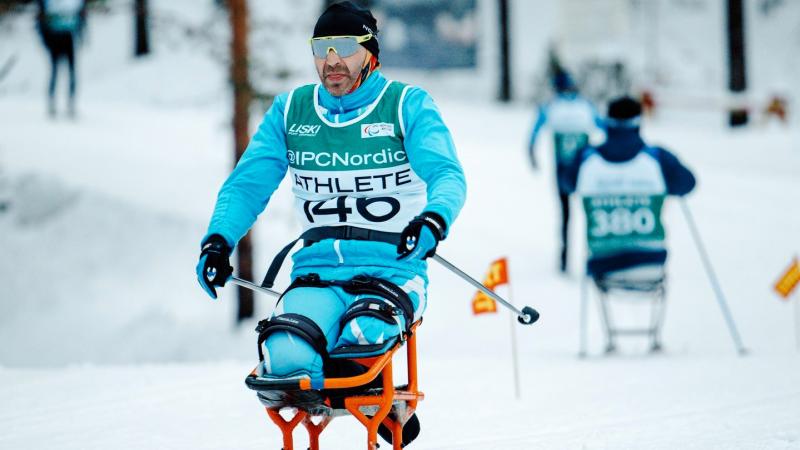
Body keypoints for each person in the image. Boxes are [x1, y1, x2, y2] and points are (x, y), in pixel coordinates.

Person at [196, 2, 466, 446]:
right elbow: (246, 185)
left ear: (370, 54)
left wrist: (434, 219)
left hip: (391, 270)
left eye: (344, 47)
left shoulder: (405, 105)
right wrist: (218, 241)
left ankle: (378, 403)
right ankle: (364, 399)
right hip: (316, 276)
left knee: (361, 345)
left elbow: (447, 174)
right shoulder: (292, 111)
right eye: (321, 49)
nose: (332, 61)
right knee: (283, 361)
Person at [563, 96, 696, 280]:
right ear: (639, 123)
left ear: (608, 122)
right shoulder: (657, 158)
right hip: (651, 263)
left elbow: (566, 183)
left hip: (602, 265)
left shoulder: (586, 157)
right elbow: (687, 184)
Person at [528, 70, 603, 272]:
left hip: (562, 170)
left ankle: (564, 258)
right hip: (584, 169)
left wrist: (532, 156)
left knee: (565, 214)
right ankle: (592, 255)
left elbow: (534, 134)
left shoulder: (551, 106)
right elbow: (604, 128)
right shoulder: (585, 105)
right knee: (589, 213)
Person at [36, 0, 86, 117]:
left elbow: (80, 15)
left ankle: (70, 103)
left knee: (70, 72)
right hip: (55, 37)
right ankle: (53, 103)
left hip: (68, 36)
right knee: (56, 72)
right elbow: (42, 18)